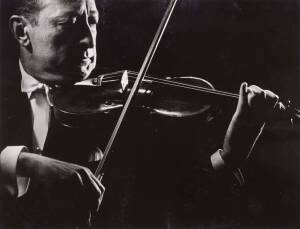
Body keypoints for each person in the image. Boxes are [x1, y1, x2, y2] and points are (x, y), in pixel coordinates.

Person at [0, 0, 280, 228]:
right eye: (67, 23)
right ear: (21, 31)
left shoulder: (124, 105)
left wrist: (229, 156)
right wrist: (24, 162)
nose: (87, 39)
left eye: (93, 21)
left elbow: (182, 192)